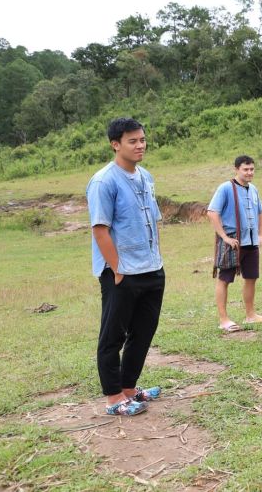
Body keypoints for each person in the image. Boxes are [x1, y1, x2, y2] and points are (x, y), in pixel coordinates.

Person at [86, 118, 164, 416]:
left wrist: (157, 259)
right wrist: (117, 269)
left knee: (143, 331)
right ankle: (113, 398)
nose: (140, 145)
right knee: (113, 336)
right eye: (132, 141)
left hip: (151, 268)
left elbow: (153, 220)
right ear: (115, 144)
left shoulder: (145, 176)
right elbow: (100, 229)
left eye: (142, 139)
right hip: (121, 272)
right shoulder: (104, 181)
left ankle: (130, 389)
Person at [207, 155, 262, 333]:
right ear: (237, 169)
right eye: (245, 169)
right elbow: (212, 212)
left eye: (252, 169)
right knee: (224, 278)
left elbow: (260, 213)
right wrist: (224, 237)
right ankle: (224, 319)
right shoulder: (226, 188)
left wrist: (261, 234)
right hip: (233, 241)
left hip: (250, 241)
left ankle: (251, 315)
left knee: (251, 278)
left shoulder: (253, 189)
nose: (249, 173)